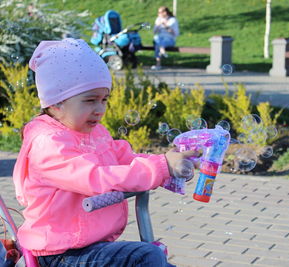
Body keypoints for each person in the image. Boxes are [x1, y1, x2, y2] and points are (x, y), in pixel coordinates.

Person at [12, 38, 196, 266]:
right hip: (58, 253)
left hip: (87, 245)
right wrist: (159, 168)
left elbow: (124, 158)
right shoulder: (48, 144)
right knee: (145, 257)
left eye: (104, 99)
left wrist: (167, 164)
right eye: (90, 101)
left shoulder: (95, 132)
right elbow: (95, 178)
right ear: (56, 103)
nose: (100, 110)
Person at [151, 6, 180, 70]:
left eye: (160, 12)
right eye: (158, 12)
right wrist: (157, 25)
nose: (158, 14)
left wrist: (165, 25)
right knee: (157, 39)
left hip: (170, 39)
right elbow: (154, 32)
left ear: (165, 13)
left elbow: (175, 34)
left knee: (158, 43)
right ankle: (162, 50)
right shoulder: (158, 19)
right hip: (160, 38)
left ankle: (158, 64)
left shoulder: (172, 20)